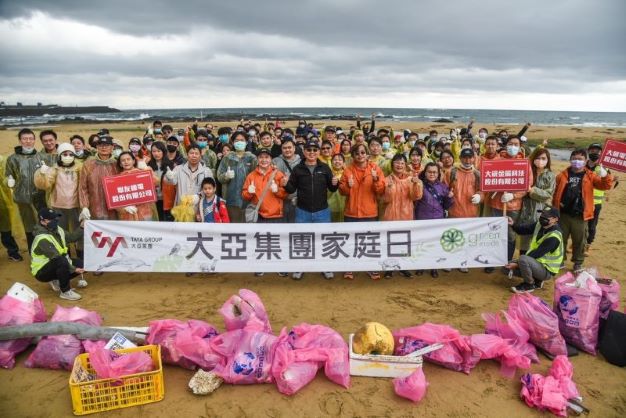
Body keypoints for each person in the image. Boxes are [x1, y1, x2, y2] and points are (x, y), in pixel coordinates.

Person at [283, 139, 338, 280]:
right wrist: (285, 184)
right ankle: (300, 267)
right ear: (304, 152)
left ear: (318, 152)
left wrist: (335, 184)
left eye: (315, 150)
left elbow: (332, 188)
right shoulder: (298, 169)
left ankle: (324, 267)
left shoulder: (325, 168)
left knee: (323, 240)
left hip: (322, 211)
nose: (312, 152)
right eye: (309, 150)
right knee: (302, 241)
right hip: (303, 211)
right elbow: (291, 189)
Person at [553, 148, 613, 271]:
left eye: (580, 159)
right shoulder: (562, 175)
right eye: (574, 158)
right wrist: (554, 210)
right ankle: (560, 260)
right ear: (570, 160)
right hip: (563, 214)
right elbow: (556, 194)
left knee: (580, 240)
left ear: (586, 161)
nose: (576, 161)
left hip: (580, 215)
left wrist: (606, 175)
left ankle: (578, 262)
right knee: (561, 238)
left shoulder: (591, 176)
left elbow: (605, 186)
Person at [339, 143, 386, 280]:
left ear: (367, 154)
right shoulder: (348, 170)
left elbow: (381, 190)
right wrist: (348, 186)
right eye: (357, 153)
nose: (360, 156)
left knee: (369, 242)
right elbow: (342, 191)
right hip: (352, 211)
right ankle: (350, 268)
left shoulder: (375, 169)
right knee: (351, 241)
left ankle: (370, 267)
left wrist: (376, 179)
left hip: (369, 211)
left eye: (362, 153)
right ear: (353, 155)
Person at [242, 148, 289, 277]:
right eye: (261, 157)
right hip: (260, 214)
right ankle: (261, 266)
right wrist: (249, 192)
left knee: (278, 241)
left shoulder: (278, 174)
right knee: (260, 241)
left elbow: (285, 194)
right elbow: (245, 195)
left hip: (276, 214)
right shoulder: (251, 175)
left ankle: (280, 266)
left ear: (270, 159)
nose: (264, 160)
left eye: (266, 157)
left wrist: (277, 190)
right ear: (257, 159)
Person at [488, 136, 532, 265]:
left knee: (510, 235)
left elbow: (527, 185)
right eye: (510, 143)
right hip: (496, 204)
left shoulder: (524, 163)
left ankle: (506, 260)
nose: (513, 146)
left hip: (513, 206)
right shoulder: (497, 160)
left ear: (520, 146)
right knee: (495, 233)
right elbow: (489, 178)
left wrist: (514, 196)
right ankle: (494, 261)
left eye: (516, 144)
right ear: (506, 145)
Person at [34, 142, 83, 257]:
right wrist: (42, 174)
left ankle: (81, 254)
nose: (68, 156)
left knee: (79, 231)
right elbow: (45, 185)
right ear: (60, 155)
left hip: (76, 205)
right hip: (58, 206)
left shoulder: (80, 168)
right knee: (61, 232)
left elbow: (85, 185)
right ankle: (66, 254)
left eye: (70, 154)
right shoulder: (54, 169)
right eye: (64, 154)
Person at [30, 208, 86, 301]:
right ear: (43, 222)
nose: (56, 221)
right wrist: (74, 269)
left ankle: (56, 279)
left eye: (55, 218)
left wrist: (82, 227)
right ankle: (65, 291)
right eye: (52, 219)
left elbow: (72, 238)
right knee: (61, 261)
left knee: (83, 264)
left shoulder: (57, 229)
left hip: (55, 264)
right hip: (41, 271)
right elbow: (56, 257)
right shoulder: (42, 239)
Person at [5, 128, 47, 249]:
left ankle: (45, 253)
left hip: (40, 198)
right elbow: (7, 176)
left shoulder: (41, 157)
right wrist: (9, 181)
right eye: (25, 139)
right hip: (22, 199)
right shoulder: (13, 158)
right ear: (20, 140)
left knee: (43, 226)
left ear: (34, 140)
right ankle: (33, 254)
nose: (28, 141)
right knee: (29, 228)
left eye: (30, 139)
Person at [382, 154, 423, 279]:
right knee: (390, 242)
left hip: (406, 214)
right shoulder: (386, 179)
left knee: (404, 242)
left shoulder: (411, 179)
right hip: (390, 214)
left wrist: (416, 184)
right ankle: (389, 268)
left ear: (405, 165)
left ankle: (403, 267)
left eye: (402, 163)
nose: (399, 165)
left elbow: (416, 197)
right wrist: (388, 189)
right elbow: (384, 200)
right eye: (397, 162)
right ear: (392, 164)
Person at [506, 207, 564, 293]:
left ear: (555, 219)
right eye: (542, 214)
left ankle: (529, 285)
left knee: (523, 259)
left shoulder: (554, 236)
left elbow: (536, 253)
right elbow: (524, 230)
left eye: (546, 216)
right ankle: (537, 281)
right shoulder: (539, 225)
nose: (542, 217)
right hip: (537, 263)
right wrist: (513, 224)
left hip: (547, 270)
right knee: (505, 267)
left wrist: (517, 264)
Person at [414, 162, 454, 278]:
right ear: (425, 173)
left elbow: (446, 205)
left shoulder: (442, 187)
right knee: (422, 244)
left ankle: (434, 267)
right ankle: (421, 266)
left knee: (435, 244)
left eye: (434, 172)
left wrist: (450, 198)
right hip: (422, 219)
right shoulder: (419, 184)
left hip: (438, 220)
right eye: (429, 172)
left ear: (438, 173)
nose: (432, 174)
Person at [517, 147, 556, 254]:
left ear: (548, 160)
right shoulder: (527, 172)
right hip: (525, 209)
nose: (540, 160)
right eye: (538, 158)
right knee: (524, 240)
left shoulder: (550, 175)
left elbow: (548, 194)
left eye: (543, 158)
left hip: (541, 211)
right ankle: (522, 262)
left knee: (538, 238)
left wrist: (531, 190)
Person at [216, 132, 257, 223]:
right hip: (231, 199)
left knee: (247, 225)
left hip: (248, 199)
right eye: (237, 140)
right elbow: (219, 176)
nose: (239, 142)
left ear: (246, 142)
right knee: (233, 225)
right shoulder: (227, 157)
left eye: (242, 140)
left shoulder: (252, 158)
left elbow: (257, 175)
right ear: (233, 142)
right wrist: (226, 176)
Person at [78, 135, 119, 222]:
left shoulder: (117, 164)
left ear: (112, 147)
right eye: (100, 145)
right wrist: (84, 206)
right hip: (94, 209)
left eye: (107, 145)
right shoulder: (88, 164)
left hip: (115, 210)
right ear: (96, 147)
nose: (103, 147)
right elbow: (83, 187)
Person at [115, 152, 158, 221]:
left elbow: (156, 182)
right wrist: (123, 207)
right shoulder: (117, 180)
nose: (126, 162)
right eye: (123, 160)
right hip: (128, 215)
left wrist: (146, 170)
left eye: (128, 159)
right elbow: (115, 198)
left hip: (146, 213)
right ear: (120, 164)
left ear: (133, 161)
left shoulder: (142, 173)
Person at [585, 143, 609, 255]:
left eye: (597, 151)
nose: (594, 153)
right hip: (582, 201)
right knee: (580, 224)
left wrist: (607, 176)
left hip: (596, 202)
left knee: (592, 225)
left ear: (601, 153)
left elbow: (608, 183)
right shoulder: (582, 165)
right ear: (588, 151)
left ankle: (588, 245)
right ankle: (580, 242)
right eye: (592, 150)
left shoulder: (603, 168)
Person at [272, 138, 301, 223]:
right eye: (284, 148)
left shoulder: (301, 162)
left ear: (294, 148)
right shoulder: (275, 161)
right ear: (281, 149)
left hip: (297, 200)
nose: (287, 150)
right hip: (280, 200)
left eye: (289, 147)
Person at [0, 154, 23, 261]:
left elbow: (7, 176)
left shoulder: (2, 160)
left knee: (6, 228)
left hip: (3, 200)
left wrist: (9, 181)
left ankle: (12, 251)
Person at [147, 141, 176, 221]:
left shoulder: (171, 164)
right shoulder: (148, 166)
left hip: (167, 198)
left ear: (163, 151)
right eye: (154, 151)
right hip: (155, 199)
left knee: (168, 220)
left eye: (159, 151)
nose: (156, 154)